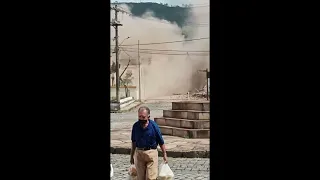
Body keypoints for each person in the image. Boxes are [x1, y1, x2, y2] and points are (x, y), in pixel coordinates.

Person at [130, 106, 168, 180]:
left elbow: (161, 141)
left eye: (143, 117)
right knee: (140, 178)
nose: (141, 119)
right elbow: (133, 142)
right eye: (139, 116)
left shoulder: (154, 126)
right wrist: (132, 155)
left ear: (148, 117)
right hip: (139, 153)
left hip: (151, 153)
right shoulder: (136, 126)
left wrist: (164, 154)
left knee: (151, 178)